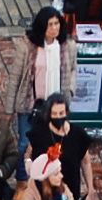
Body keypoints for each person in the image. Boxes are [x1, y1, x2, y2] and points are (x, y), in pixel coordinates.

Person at [10, 8, 78, 156]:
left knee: (53, 142)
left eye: (56, 23)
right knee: (25, 143)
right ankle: (23, 176)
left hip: (56, 104)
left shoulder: (68, 46)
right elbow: (15, 77)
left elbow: (73, 69)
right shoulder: (27, 47)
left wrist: (70, 90)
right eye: (50, 24)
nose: (54, 28)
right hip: (32, 103)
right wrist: (10, 109)